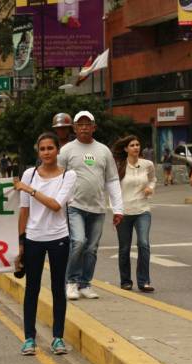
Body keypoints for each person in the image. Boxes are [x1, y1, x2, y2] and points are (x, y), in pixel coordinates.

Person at [15, 133, 76, 356]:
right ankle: (29, 338)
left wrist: (30, 189)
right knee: (32, 289)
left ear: (58, 150)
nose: (47, 152)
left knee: (58, 289)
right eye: (43, 149)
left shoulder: (68, 176)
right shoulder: (29, 174)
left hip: (59, 238)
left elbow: (56, 205)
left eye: (51, 148)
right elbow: (24, 210)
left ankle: (58, 338)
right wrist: (20, 242)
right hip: (33, 238)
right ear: (38, 152)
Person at [59, 111, 124, 300]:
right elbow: (56, 175)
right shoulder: (67, 151)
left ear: (94, 127)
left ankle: (85, 284)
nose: (84, 127)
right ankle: (71, 282)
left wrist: (118, 209)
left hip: (97, 208)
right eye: (80, 124)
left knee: (92, 248)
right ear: (75, 128)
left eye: (88, 124)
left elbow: (112, 180)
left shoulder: (103, 150)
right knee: (78, 242)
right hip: (75, 206)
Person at [112, 136, 156, 293]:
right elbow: (113, 190)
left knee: (143, 243)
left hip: (143, 210)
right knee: (124, 248)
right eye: (132, 145)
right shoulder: (119, 166)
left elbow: (153, 179)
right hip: (123, 212)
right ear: (126, 148)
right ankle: (125, 281)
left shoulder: (147, 164)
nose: (136, 147)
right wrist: (116, 210)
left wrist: (150, 188)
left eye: (138, 144)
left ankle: (144, 281)